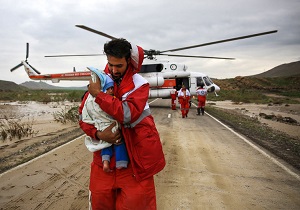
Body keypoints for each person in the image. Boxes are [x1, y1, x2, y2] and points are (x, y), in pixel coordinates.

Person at [79, 38, 166, 210]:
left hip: (134, 162)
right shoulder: (99, 82)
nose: (113, 70)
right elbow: (83, 118)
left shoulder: (140, 85)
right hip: (103, 164)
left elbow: (127, 114)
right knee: (99, 205)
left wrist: (99, 95)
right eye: (110, 64)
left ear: (129, 61)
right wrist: (99, 135)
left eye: (119, 65)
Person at [81, 67, 128, 173]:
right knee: (118, 143)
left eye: (112, 88)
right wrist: (98, 134)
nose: (111, 90)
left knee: (106, 145)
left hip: (103, 130)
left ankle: (106, 161)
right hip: (108, 130)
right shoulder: (91, 96)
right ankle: (121, 162)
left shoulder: (94, 97)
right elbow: (83, 120)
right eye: (108, 88)